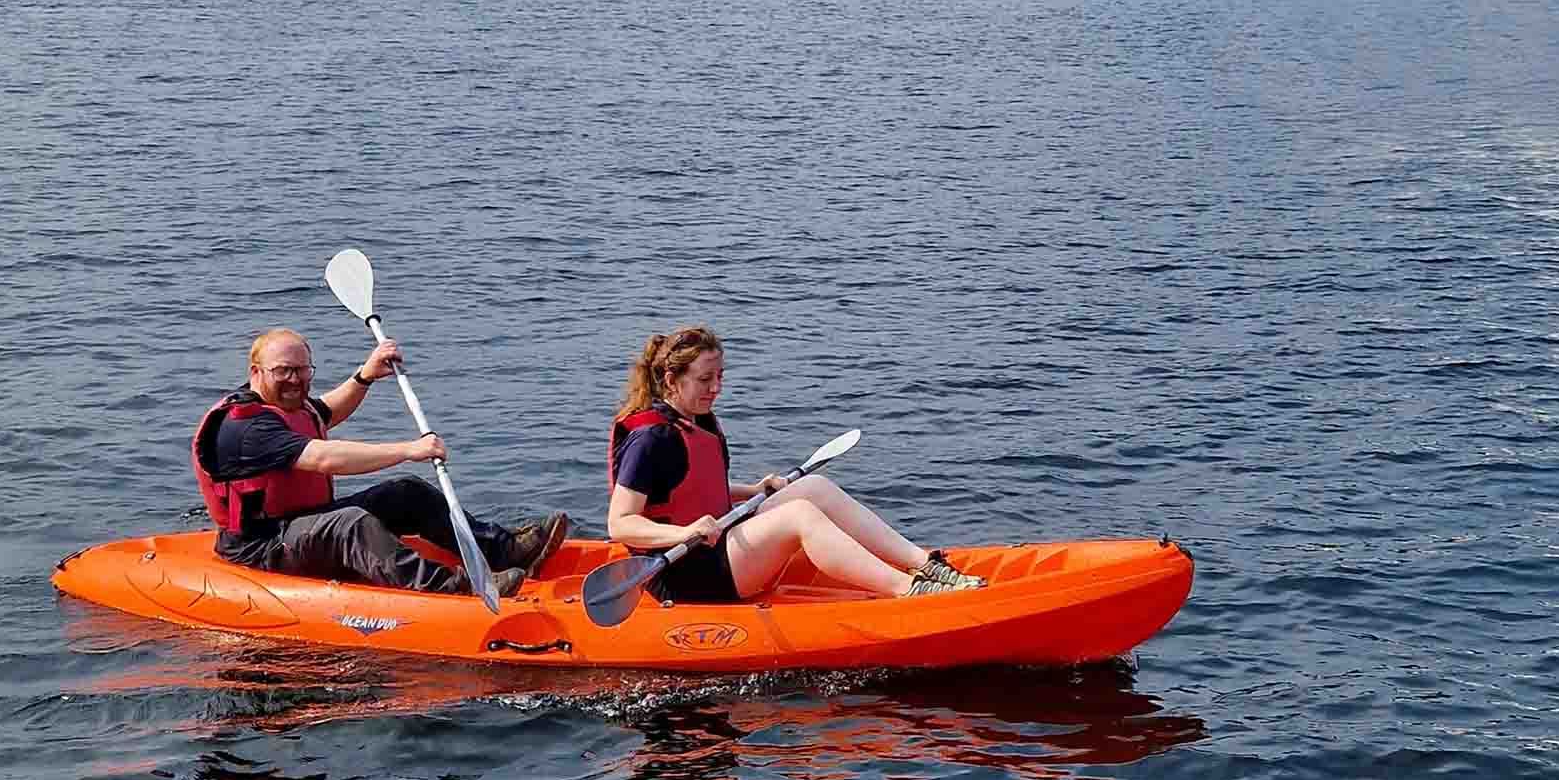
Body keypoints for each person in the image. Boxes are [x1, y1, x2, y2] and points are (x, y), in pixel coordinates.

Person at [606, 325, 984, 604]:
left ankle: (925, 565)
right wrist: (684, 533)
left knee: (811, 488)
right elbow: (620, 523)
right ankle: (908, 591)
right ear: (672, 381)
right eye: (705, 379)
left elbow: (685, 489)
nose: (716, 388)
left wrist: (752, 492)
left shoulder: (696, 420)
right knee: (799, 514)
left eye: (720, 377)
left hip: (713, 547)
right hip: (683, 573)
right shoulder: (650, 438)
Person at [193, 327, 568, 596]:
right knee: (350, 524)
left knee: (407, 493)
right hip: (263, 548)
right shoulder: (243, 429)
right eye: (283, 372)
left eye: (303, 370)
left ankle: (501, 551)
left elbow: (325, 412)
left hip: (301, 526)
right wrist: (408, 449)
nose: (295, 380)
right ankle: (457, 587)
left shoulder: (287, 405)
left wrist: (364, 376)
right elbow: (324, 457)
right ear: (255, 373)